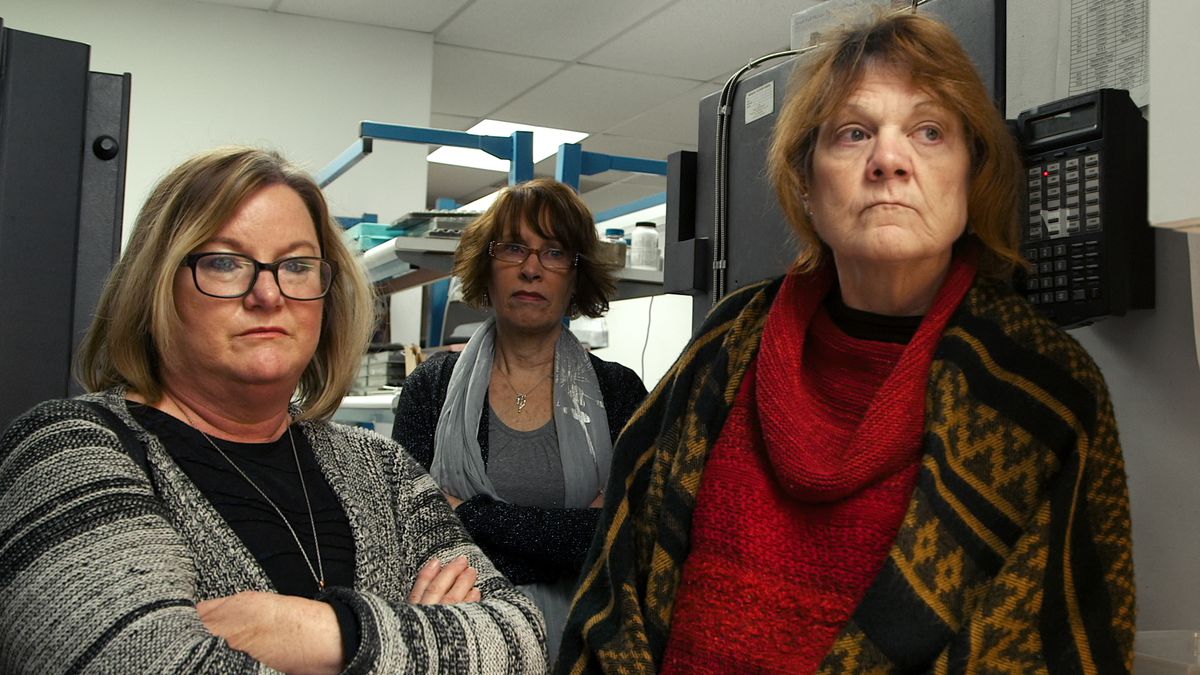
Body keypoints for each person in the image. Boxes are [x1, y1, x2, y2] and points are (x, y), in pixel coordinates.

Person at [558, 12, 1135, 674]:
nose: (889, 161)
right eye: (854, 133)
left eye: (929, 132)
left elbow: (1056, 645)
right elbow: (617, 593)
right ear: (806, 179)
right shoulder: (724, 344)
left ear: (973, 175)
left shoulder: (1043, 393)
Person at [0, 146, 545, 673]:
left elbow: (522, 643)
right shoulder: (68, 449)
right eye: (224, 263)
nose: (268, 295)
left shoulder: (381, 469)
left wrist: (313, 631)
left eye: (298, 266)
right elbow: (137, 659)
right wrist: (423, 639)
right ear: (155, 285)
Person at [392, 178, 647, 662]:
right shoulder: (432, 387)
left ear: (575, 277)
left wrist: (467, 512)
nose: (531, 269)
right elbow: (413, 532)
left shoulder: (620, 393)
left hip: (588, 648)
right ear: (487, 268)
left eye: (554, 253)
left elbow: (621, 541)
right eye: (514, 249)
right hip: (461, 646)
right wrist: (563, 532)